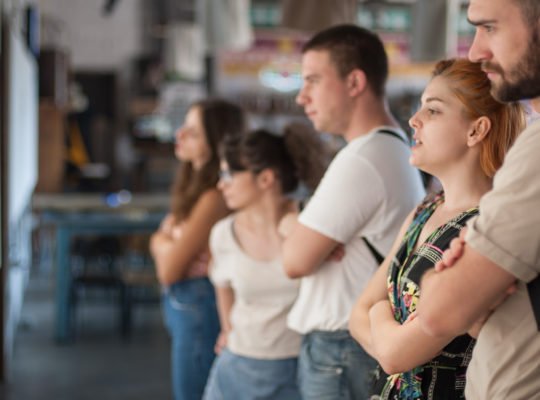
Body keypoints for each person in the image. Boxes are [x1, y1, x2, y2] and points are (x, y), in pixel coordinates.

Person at [349, 58, 525, 400]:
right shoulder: (425, 208)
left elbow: (393, 352)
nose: (413, 121)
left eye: (433, 111)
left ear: (476, 130)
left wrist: (378, 314)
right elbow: (358, 313)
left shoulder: (486, 227)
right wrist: (384, 330)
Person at [281, 24, 426, 400]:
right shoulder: (390, 147)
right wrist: (303, 230)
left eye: (313, 80)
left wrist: (298, 232)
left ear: (355, 82)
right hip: (352, 345)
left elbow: (295, 260)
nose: (302, 97)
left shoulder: (362, 159)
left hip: (340, 350)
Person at [415, 1, 540, 399]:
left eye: (489, 28)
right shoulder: (429, 209)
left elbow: (438, 313)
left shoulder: (536, 153)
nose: (475, 51)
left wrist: (449, 282)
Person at [203, 124, 329, 400]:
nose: (220, 183)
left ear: (266, 178)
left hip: (302, 368)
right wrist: (227, 329)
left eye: (229, 174)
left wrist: (292, 226)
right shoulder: (223, 233)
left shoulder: (312, 223)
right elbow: (221, 283)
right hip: (238, 367)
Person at [149, 98, 245, 400]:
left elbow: (168, 269)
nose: (179, 135)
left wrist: (164, 242)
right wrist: (165, 242)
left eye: (192, 132)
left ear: (215, 142)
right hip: (189, 304)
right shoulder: (196, 189)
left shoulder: (214, 197)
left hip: (199, 305)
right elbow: (160, 239)